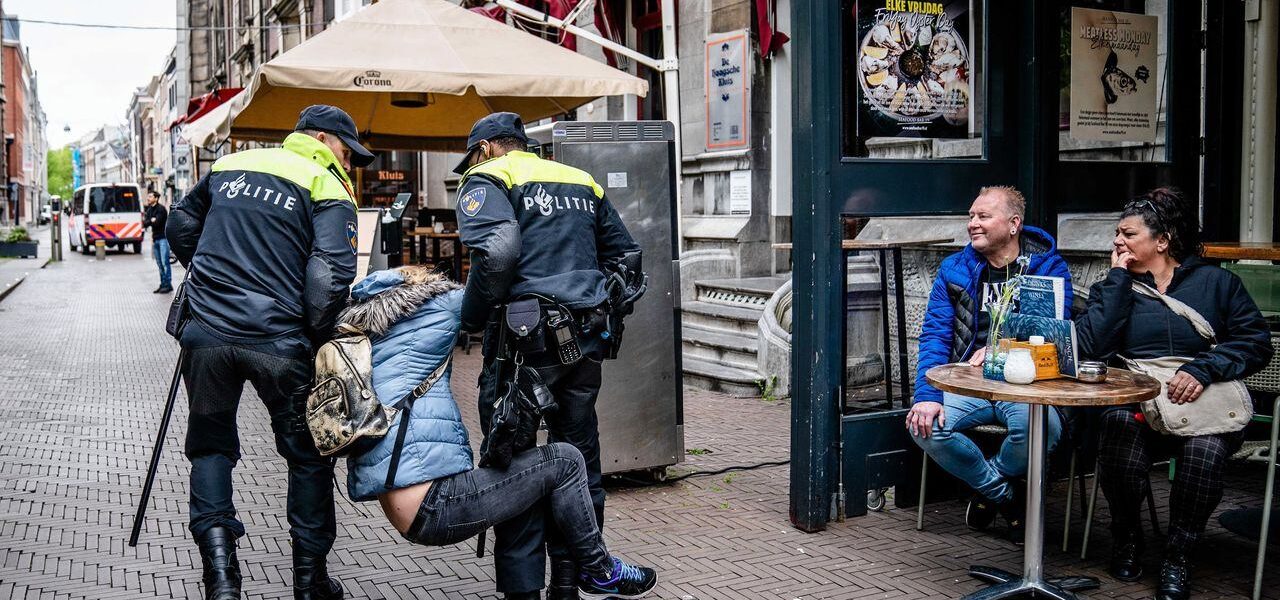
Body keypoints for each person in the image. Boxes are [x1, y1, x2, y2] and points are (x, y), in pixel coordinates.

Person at [339, 266, 657, 600]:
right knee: (566, 461)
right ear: (422, 282)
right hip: (435, 504)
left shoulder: (368, 328)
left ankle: (568, 579)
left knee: (525, 477)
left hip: (403, 507)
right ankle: (600, 570)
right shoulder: (435, 305)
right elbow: (491, 283)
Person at [166, 104, 375, 600]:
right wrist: (318, 333)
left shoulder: (231, 165)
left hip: (207, 336)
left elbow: (179, 227)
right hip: (279, 342)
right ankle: (310, 582)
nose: (348, 164)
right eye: (347, 152)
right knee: (306, 456)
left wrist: (214, 280)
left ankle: (221, 579)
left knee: (210, 448)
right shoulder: (326, 184)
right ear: (324, 139)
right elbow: (327, 278)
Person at [453, 112, 644, 600]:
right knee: (579, 457)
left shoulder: (491, 177)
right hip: (584, 341)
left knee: (511, 461)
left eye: (472, 156)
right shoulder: (579, 179)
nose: (471, 165)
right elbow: (626, 257)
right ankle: (572, 582)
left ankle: (523, 591)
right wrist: (598, 302)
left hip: (522, 345)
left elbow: (495, 254)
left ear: (489, 148)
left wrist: (470, 318)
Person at [1075, 187, 1272, 600]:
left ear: (1161, 240)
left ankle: (1178, 554)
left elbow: (1255, 343)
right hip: (1138, 399)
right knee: (1117, 435)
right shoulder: (1114, 286)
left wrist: (1204, 368)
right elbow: (1091, 347)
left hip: (1203, 399)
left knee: (1205, 455)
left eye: (1128, 234)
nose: (1118, 241)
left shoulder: (1218, 283)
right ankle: (1127, 536)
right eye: (1117, 233)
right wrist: (1117, 280)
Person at [906, 185, 1074, 542]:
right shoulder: (955, 269)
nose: (973, 224)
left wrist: (1002, 349)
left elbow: (1053, 336)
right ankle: (1005, 495)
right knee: (924, 425)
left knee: (1046, 430)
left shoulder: (1050, 267)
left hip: (1024, 386)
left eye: (983, 216)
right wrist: (927, 395)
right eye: (971, 216)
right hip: (970, 384)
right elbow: (934, 337)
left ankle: (988, 488)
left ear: (1013, 224)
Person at [144, 190, 173, 293]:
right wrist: (151, 220)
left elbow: (157, 223)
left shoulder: (161, 209)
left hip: (163, 239)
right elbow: (145, 223)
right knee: (159, 263)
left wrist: (153, 221)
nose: (148, 198)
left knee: (165, 262)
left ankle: (168, 285)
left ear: (156, 198)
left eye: (150, 197)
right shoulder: (150, 210)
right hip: (155, 239)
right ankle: (163, 284)